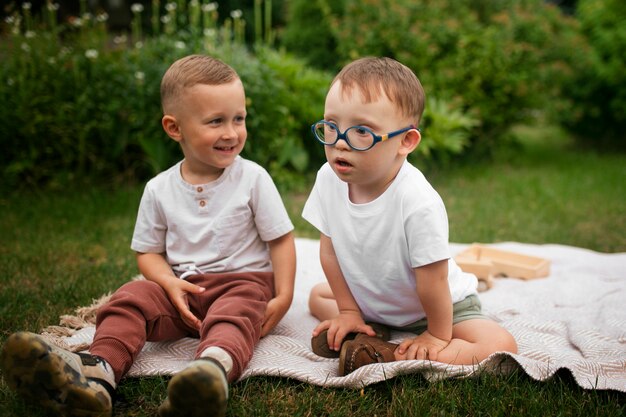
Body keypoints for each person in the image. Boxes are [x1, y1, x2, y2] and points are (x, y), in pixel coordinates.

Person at [1, 54, 296, 417]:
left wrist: (283, 295)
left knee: (235, 314)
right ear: (175, 128)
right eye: (216, 121)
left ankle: (208, 375)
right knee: (131, 296)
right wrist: (167, 283)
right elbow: (149, 254)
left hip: (242, 283)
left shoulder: (252, 179)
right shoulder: (159, 189)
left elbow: (280, 239)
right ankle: (97, 375)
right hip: (182, 289)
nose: (232, 132)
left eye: (239, 118)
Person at [303, 57, 517, 376]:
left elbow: (434, 278)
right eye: (331, 127)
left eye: (362, 131)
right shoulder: (328, 178)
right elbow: (329, 251)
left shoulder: (417, 201)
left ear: (406, 141)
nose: (340, 145)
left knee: (501, 345)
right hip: (373, 299)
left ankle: (387, 353)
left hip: (435, 306)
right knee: (316, 295)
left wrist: (437, 335)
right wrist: (348, 309)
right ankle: (364, 327)